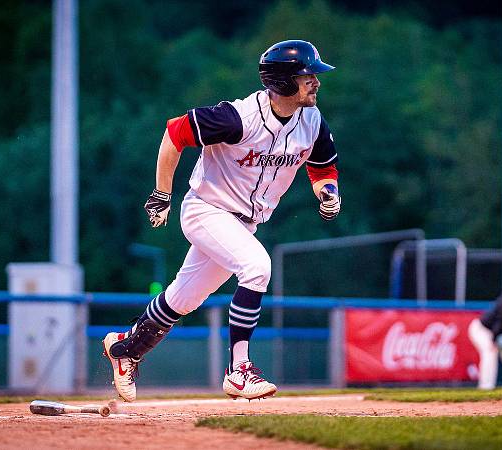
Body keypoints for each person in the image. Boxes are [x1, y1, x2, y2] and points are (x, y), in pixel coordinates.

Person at [102, 40, 341, 402]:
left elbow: (322, 167)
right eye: (307, 75)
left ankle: (124, 349)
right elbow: (174, 133)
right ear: (282, 81)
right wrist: (162, 194)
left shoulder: (312, 122)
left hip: (243, 224)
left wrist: (328, 192)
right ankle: (239, 370)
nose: (316, 81)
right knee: (257, 266)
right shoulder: (238, 118)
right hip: (206, 210)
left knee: (184, 298)